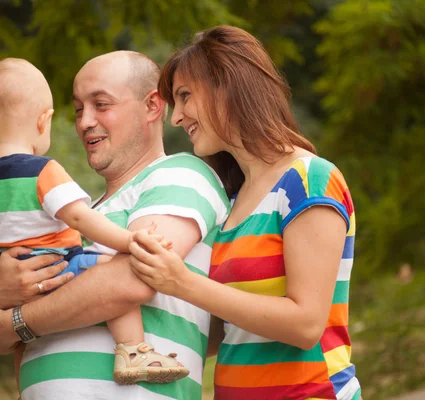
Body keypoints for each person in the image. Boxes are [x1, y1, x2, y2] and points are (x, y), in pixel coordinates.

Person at [0, 51, 230, 399]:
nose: (84, 122)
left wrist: (12, 322)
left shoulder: (181, 174)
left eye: (101, 104)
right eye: (78, 109)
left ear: (153, 106)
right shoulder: (73, 216)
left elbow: (132, 279)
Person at [128, 25, 362, 400]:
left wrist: (183, 283)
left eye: (185, 96)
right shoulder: (233, 203)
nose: (177, 117)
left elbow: (305, 324)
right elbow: (230, 327)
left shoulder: (308, 179)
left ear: (228, 85)